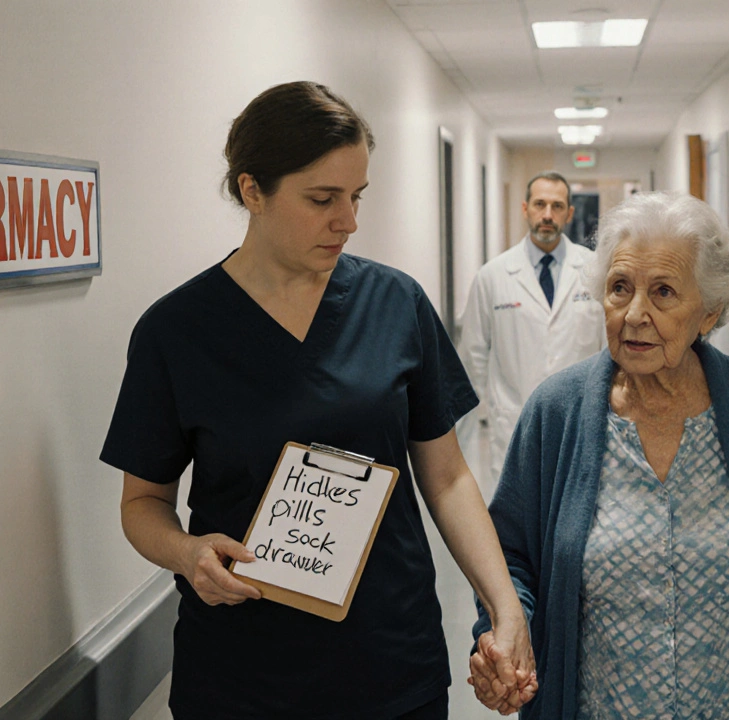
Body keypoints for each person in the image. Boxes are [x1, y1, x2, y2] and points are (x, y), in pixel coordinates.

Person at [100, 81, 535, 720]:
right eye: (322, 199)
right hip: (241, 674)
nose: (348, 221)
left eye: (356, 196)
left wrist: (503, 605)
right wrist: (186, 553)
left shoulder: (396, 304)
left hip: (390, 659)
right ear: (253, 191)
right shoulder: (177, 331)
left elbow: (445, 478)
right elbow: (143, 504)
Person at [468, 191, 729, 719]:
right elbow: (508, 556)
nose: (635, 314)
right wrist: (502, 633)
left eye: (663, 292)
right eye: (619, 288)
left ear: (710, 311)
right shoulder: (555, 413)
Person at [456, 171, 606, 489]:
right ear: (525, 209)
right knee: (518, 526)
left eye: (557, 205)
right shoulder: (492, 276)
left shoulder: (596, 271)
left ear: (570, 213)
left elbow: (609, 351)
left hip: (580, 424)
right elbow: (473, 360)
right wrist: (472, 431)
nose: (548, 215)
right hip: (512, 426)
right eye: (540, 204)